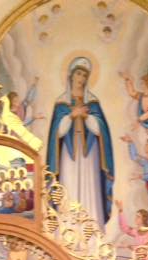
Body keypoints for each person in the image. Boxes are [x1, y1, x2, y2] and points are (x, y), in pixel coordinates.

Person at [46, 56, 114, 229]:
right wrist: (71, 115)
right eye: (78, 74)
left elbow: (101, 131)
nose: (81, 79)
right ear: (71, 76)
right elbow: (58, 132)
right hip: (68, 156)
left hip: (90, 155)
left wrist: (87, 117)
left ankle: (92, 239)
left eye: (85, 75)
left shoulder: (93, 103)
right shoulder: (61, 103)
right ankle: (68, 236)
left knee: (90, 188)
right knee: (69, 187)